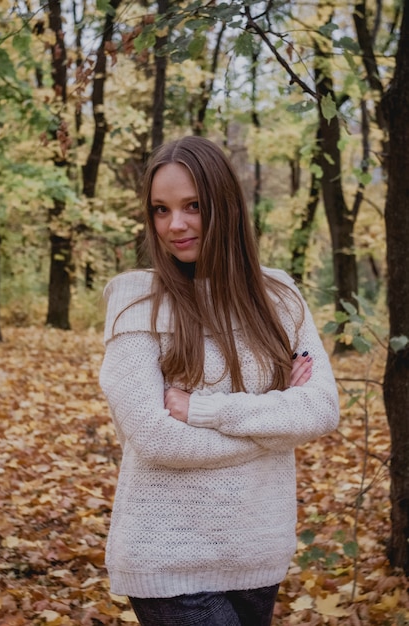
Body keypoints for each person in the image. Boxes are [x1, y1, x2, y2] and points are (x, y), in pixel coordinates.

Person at [99, 136, 339, 626]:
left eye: (193, 206)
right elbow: (155, 436)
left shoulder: (280, 297)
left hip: (259, 550)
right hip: (168, 555)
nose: (176, 225)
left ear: (225, 206)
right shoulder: (135, 300)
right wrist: (275, 427)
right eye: (161, 210)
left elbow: (320, 409)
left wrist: (205, 411)